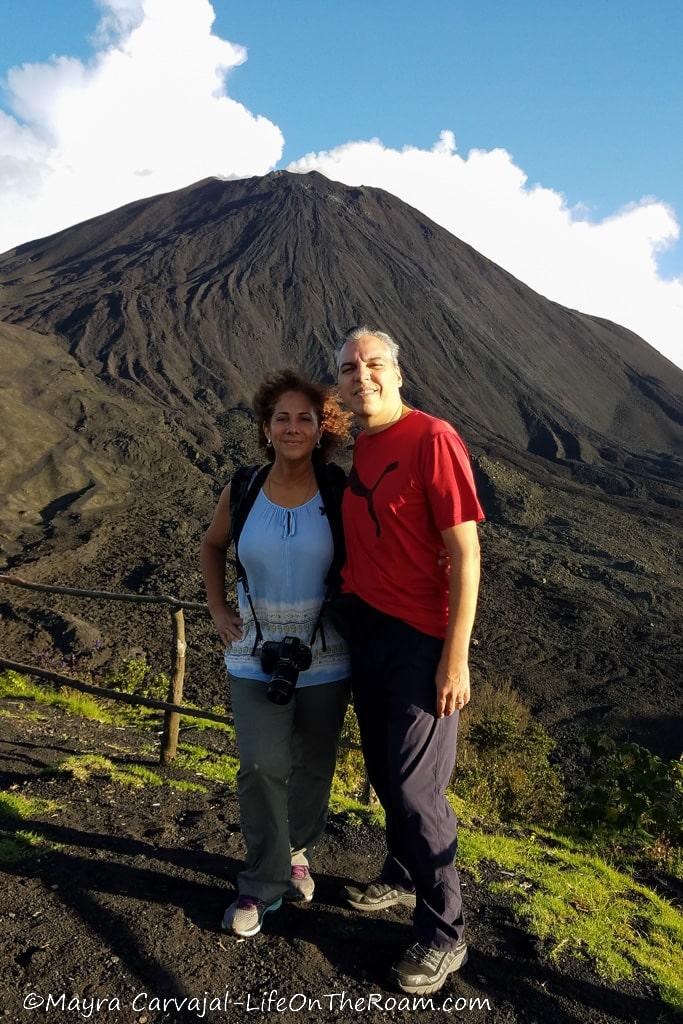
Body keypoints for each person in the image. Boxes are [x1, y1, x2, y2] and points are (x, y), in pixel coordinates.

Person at [335, 326, 484, 996]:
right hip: (365, 632)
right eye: (347, 368)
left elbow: (465, 554)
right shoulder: (361, 444)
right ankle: (401, 876)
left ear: (397, 371)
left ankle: (444, 934)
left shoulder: (432, 438)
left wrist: (454, 659)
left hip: (421, 638)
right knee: (383, 773)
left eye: (372, 364)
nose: (360, 375)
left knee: (415, 789)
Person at [200, 369, 352, 938]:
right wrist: (218, 607)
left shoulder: (338, 493)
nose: (293, 427)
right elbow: (213, 545)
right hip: (253, 652)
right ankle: (260, 884)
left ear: (322, 428)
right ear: (266, 428)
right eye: (281, 418)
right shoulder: (242, 488)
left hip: (327, 655)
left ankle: (296, 849)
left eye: (305, 418)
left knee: (314, 765)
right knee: (261, 763)